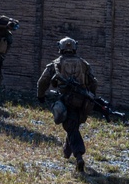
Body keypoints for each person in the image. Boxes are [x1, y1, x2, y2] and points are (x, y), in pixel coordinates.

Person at [36, 37, 98, 172]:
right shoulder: (83, 63)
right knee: (72, 125)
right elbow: (93, 83)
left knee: (71, 127)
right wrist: (92, 97)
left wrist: (40, 96)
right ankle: (67, 151)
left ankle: (79, 156)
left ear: (61, 48)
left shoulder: (56, 64)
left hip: (66, 101)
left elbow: (43, 81)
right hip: (83, 101)